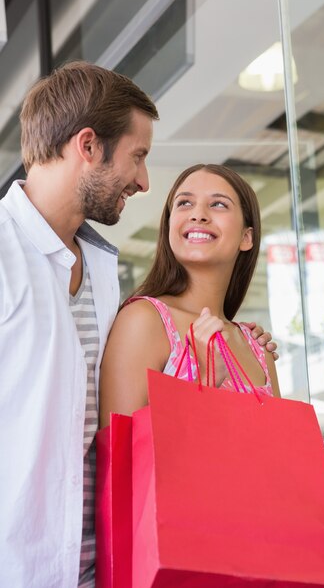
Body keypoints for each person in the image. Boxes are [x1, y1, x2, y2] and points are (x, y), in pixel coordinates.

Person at [0, 62, 276, 588]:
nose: (145, 181)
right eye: (139, 156)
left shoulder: (104, 272)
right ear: (88, 145)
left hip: (105, 564)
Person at [99, 163, 324, 483]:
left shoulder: (255, 346)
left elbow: (285, 488)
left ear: (246, 237)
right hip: (182, 534)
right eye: (184, 203)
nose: (198, 213)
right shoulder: (144, 320)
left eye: (218, 204)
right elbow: (120, 468)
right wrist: (202, 388)